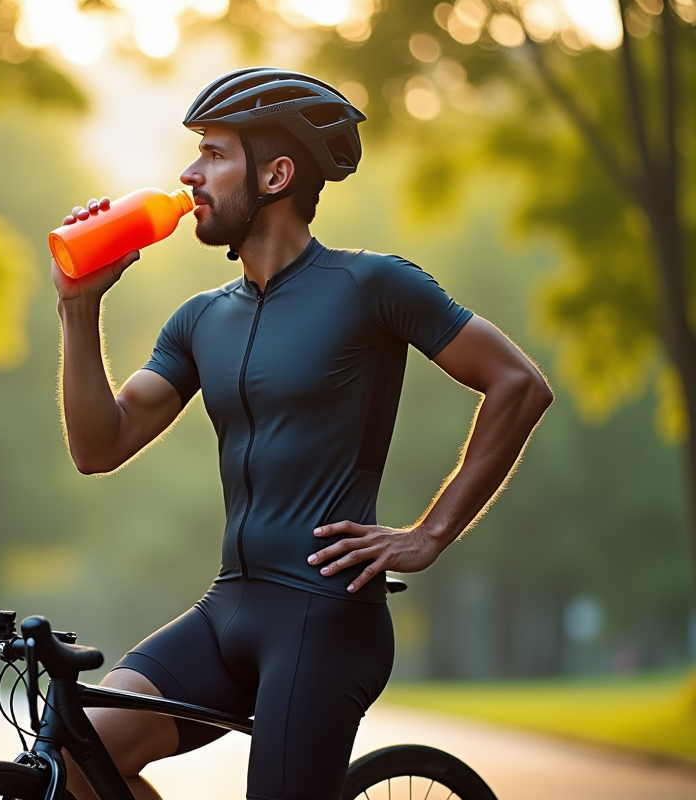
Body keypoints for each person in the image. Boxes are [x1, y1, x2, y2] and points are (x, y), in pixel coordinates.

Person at [52, 68, 553, 800]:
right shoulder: (199, 320)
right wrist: (79, 309)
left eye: (215, 154)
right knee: (78, 756)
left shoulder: (371, 287)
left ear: (277, 174)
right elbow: (99, 447)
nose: (190, 174)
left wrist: (430, 533)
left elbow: (519, 384)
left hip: (325, 619)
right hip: (229, 608)